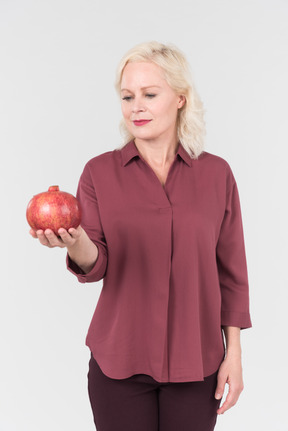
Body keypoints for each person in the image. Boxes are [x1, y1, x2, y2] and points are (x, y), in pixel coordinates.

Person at [29, 41, 252, 431]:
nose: (137, 106)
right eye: (127, 96)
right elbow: (95, 262)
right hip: (119, 363)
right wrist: (73, 239)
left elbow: (231, 273)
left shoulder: (217, 175)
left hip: (196, 364)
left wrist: (233, 353)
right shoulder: (99, 173)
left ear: (180, 99)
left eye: (150, 94)